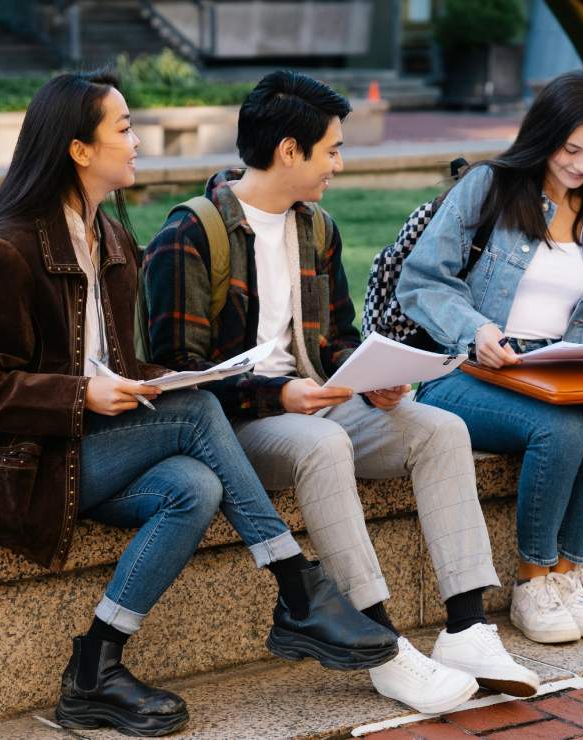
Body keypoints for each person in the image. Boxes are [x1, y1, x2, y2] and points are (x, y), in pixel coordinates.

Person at [0, 71, 397, 737]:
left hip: (84, 448)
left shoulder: (109, 239)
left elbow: (116, 360)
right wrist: (82, 392)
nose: (137, 141)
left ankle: (95, 665)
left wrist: (151, 381)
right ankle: (294, 587)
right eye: (123, 129)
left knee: (194, 487)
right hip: (16, 467)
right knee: (200, 412)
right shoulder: (6, 249)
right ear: (79, 150)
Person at [143, 70, 540, 714]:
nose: (339, 162)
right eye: (331, 148)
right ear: (288, 151)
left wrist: (372, 373)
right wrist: (280, 396)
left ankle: (466, 629)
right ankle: (379, 644)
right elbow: (178, 376)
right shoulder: (192, 234)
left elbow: (335, 339)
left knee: (440, 429)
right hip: (235, 423)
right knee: (323, 442)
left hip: (314, 404)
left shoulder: (317, 228)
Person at [397, 69, 583, 645]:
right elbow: (421, 281)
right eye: (571, 149)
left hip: (560, 369)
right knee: (561, 433)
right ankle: (531, 581)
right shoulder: (490, 187)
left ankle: (568, 573)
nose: (581, 164)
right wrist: (475, 330)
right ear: (544, 134)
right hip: (465, 369)